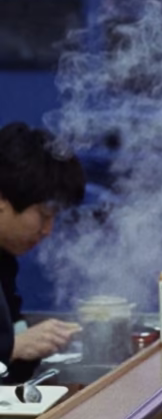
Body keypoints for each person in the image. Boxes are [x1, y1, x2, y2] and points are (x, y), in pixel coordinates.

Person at [0, 122, 85, 380]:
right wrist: (12, 348)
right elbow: (12, 346)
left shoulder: (4, 260)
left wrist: (32, 345)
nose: (48, 230)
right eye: (44, 215)